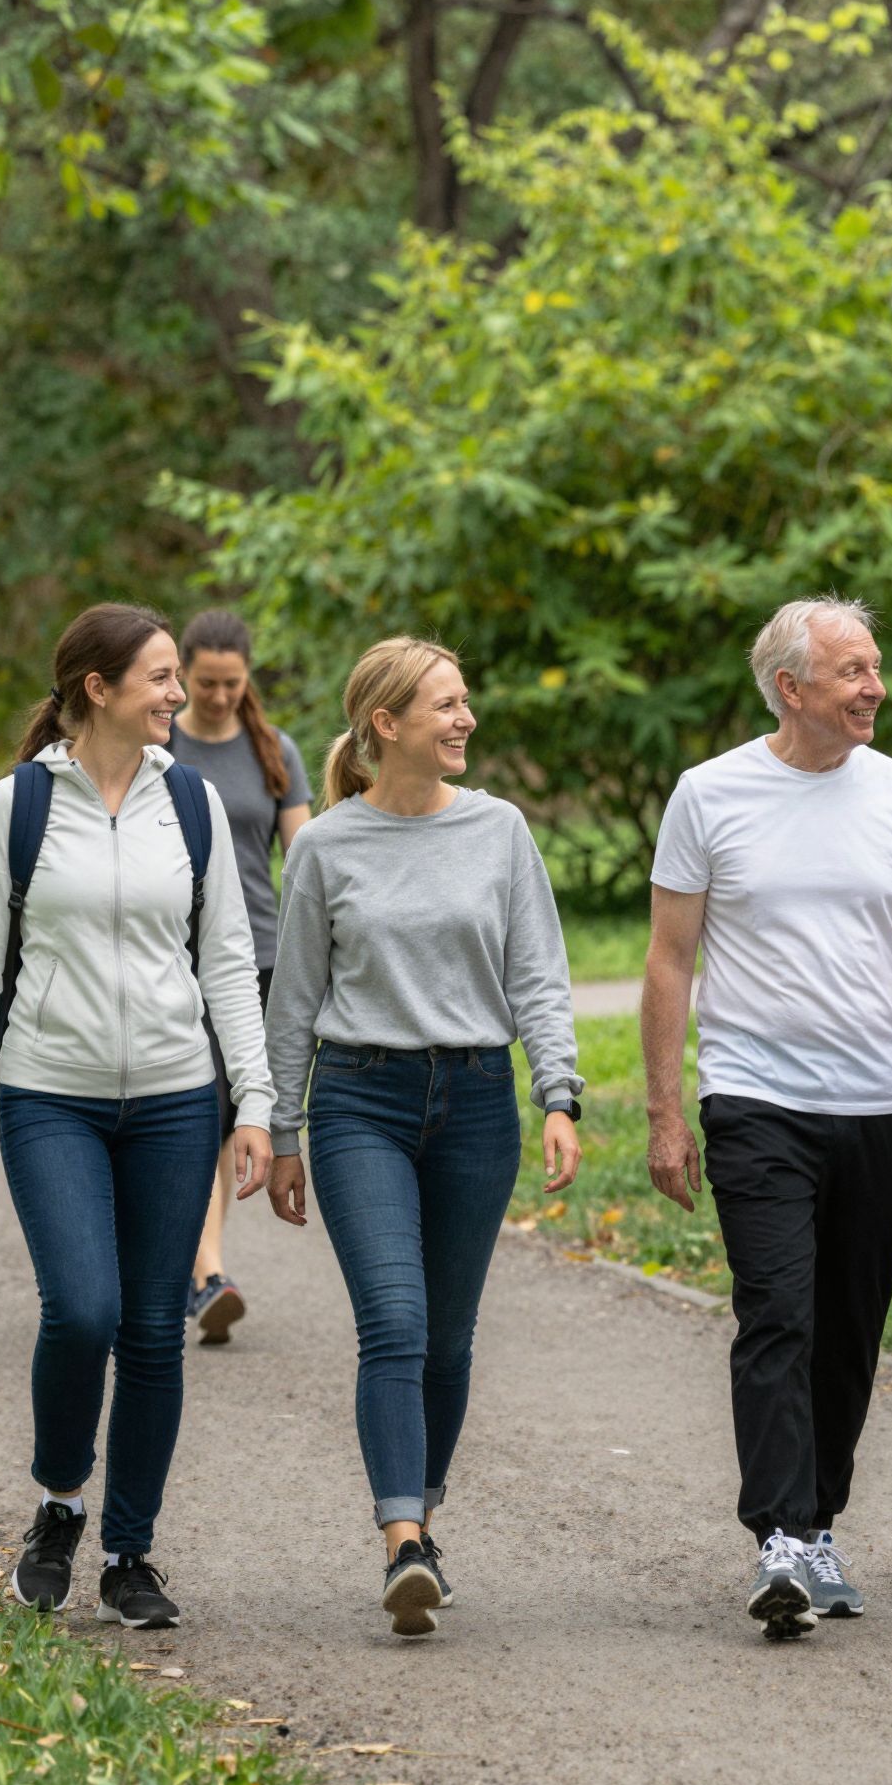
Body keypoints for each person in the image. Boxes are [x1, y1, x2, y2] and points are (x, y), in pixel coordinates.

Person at [643, 597, 892, 1641]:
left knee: (848, 1325)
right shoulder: (710, 794)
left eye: (873, 666)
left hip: (874, 1102)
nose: (874, 685)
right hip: (754, 1098)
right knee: (778, 1310)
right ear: (792, 688)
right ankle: (780, 1536)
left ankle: (818, 1518)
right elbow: (668, 958)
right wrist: (665, 1110)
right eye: (851, 670)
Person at [0, 604, 275, 1629]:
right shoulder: (20, 804)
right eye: (162, 677)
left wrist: (252, 1097)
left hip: (177, 1096)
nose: (180, 693)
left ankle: (130, 1550)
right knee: (81, 1309)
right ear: (100, 687)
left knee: (152, 1330)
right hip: (52, 1095)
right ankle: (57, 1503)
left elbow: (225, 956)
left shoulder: (195, 803)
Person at [263, 636, 583, 1638]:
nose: (465, 719)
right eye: (445, 704)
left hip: (479, 1101)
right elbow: (295, 997)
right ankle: (403, 1536)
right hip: (362, 1099)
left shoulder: (500, 830)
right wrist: (280, 1127)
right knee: (394, 1321)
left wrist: (559, 1091)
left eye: (465, 699)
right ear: (385, 725)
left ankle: (423, 1518)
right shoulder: (323, 846)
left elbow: (538, 971)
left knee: (447, 1335)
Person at [166, 609, 311, 1344]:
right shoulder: (158, 742)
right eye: (206, 682)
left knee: (223, 1123)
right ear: (184, 673)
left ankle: (201, 1270)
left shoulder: (272, 750)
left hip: (257, 960)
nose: (219, 696)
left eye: (232, 682)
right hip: (169, 959)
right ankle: (205, 1273)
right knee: (200, 1117)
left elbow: (306, 858)